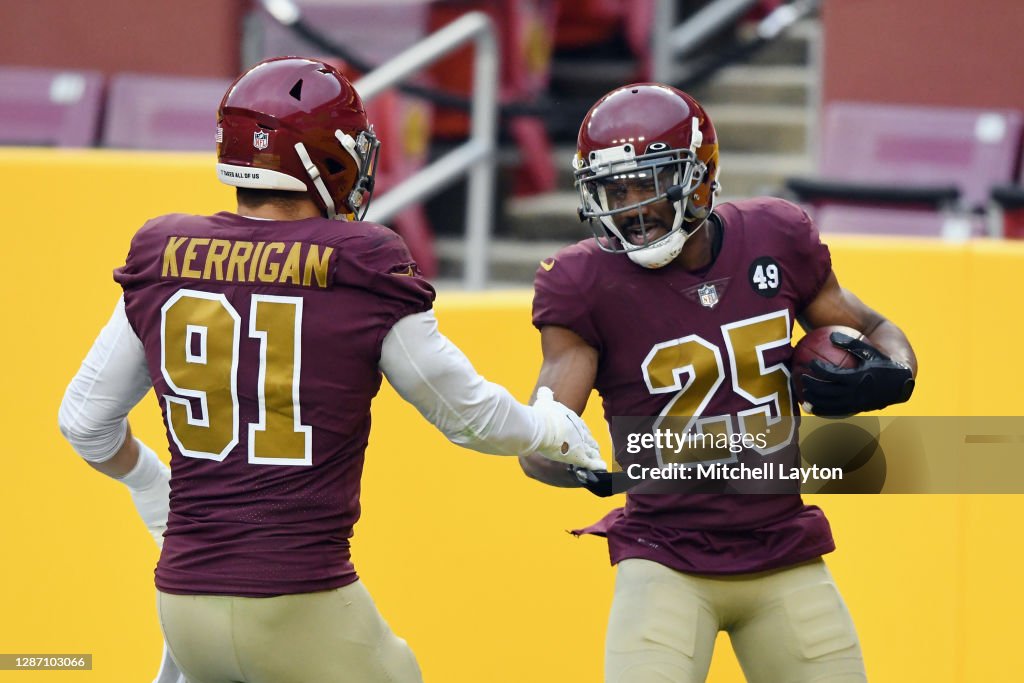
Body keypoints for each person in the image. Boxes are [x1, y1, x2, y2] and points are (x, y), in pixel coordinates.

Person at [57, 57, 605, 683]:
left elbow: (84, 423)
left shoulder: (165, 252)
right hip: (299, 600)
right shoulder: (358, 262)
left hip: (182, 603)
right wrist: (549, 429)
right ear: (324, 159)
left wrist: (160, 496)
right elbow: (467, 416)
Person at [519, 83, 917, 682]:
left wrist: (893, 374)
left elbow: (879, 328)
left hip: (783, 549)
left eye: (648, 183)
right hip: (664, 559)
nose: (631, 208)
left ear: (699, 177)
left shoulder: (776, 238)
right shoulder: (583, 282)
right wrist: (577, 463)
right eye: (614, 190)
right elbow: (542, 438)